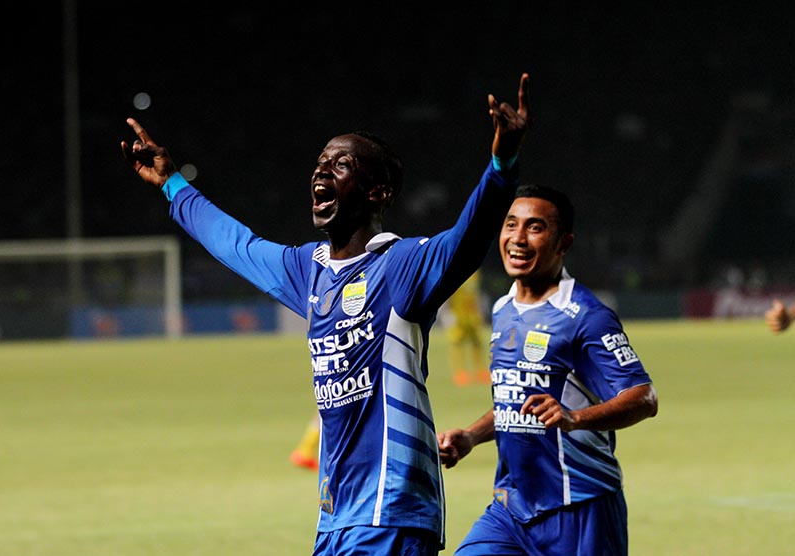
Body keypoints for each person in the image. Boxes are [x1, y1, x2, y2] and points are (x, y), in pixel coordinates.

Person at [121, 72, 531, 556]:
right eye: (320, 164)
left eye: (341, 165)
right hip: (334, 519)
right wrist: (172, 184)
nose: (321, 172)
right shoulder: (307, 270)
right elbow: (236, 245)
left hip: (391, 512)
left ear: (377, 192)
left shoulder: (401, 266)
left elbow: (468, 237)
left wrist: (501, 164)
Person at [437, 184, 658, 556]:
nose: (518, 239)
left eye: (535, 228)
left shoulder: (587, 316)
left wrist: (575, 417)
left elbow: (643, 398)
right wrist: (472, 436)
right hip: (511, 510)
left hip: (581, 508)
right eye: (511, 225)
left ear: (564, 243)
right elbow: (515, 402)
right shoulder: (503, 309)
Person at [444, 270, 490, 386]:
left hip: (472, 316)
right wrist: (448, 313)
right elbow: (447, 294)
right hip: (458, 315)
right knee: (457, 344)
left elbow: (476, 293)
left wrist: (480, 310)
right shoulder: (453, 272)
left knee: (477, 343)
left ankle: (481, 372)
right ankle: (460, 373)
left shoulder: (475, 273)